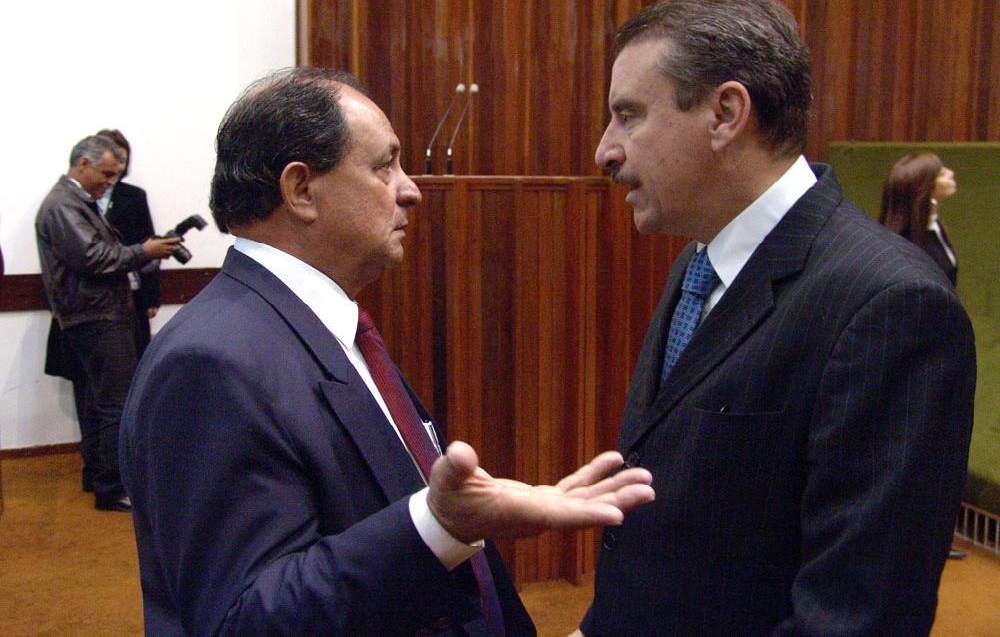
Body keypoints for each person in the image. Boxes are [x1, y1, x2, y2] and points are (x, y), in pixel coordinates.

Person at [119, 67, 655, 635]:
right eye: (384, 166)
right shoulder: (210, 363)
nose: (410, 190)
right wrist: (436, 525)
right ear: (301, 191)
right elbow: (243, 620)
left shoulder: (324, 325)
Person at [579, 0, 976, 636]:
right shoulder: (698, 263)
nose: (606, 151)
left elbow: (856, 617)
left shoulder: (891, 305)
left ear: (725, 113)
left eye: (629, 116)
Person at [35, 135, 180, 511]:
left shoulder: (74, 202)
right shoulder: (63, 204)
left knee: (101, 402)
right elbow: (94, 258)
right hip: (96, 315)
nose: (110, 182)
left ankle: (103, 479)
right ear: (83, 164)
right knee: (116, 404)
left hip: (98, 313)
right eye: (107, 173)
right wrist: (144, 251)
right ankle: (113, 487)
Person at [97, 128, 164, 356]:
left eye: (122, 160)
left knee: (134, 357)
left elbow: (149, 244)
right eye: (113, 160)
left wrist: (152, 296)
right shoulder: (79, 200)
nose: (117, 167)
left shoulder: (134, 196)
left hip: (131, 290)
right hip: (96, 294)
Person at [879, 152, 959, 286]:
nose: (951, 173)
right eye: (941, 174)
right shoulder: (904, 246)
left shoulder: (933, 225)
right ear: (925, 189)